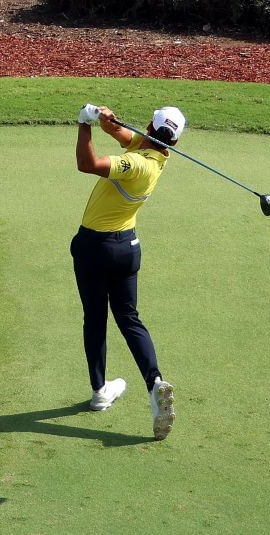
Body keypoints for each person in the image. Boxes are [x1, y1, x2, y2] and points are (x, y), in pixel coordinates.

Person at [71, 101, 183, 439]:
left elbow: (86, 163)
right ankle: (155, 383)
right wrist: (105, 118)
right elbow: (122, 134)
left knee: (95, 317)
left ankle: (99, 392)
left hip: (95, 248)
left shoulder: (136, 164)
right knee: (129, 318)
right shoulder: (159, 156)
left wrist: (83, 124)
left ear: (149, 128)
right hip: (127, 248)